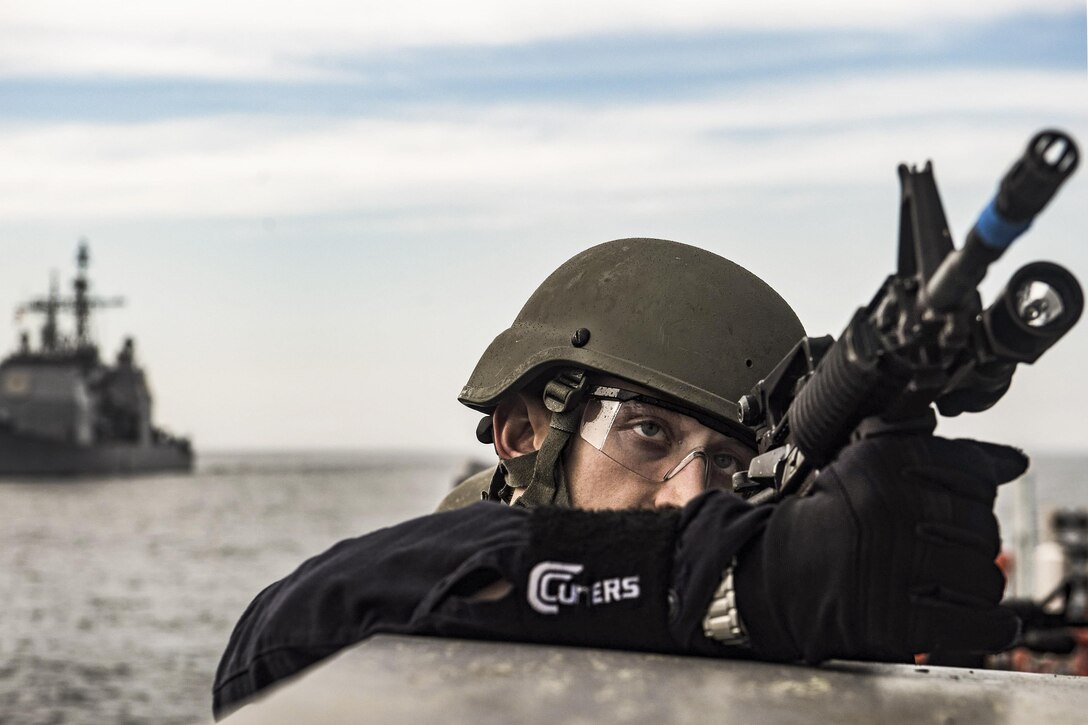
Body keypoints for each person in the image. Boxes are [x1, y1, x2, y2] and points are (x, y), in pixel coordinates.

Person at [212, 238, 1024, 719]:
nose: (694, 493)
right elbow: (274, 640)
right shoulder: (428, 598)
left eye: (734, 462)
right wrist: (709, 580)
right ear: (525, 431)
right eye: (648, 433)